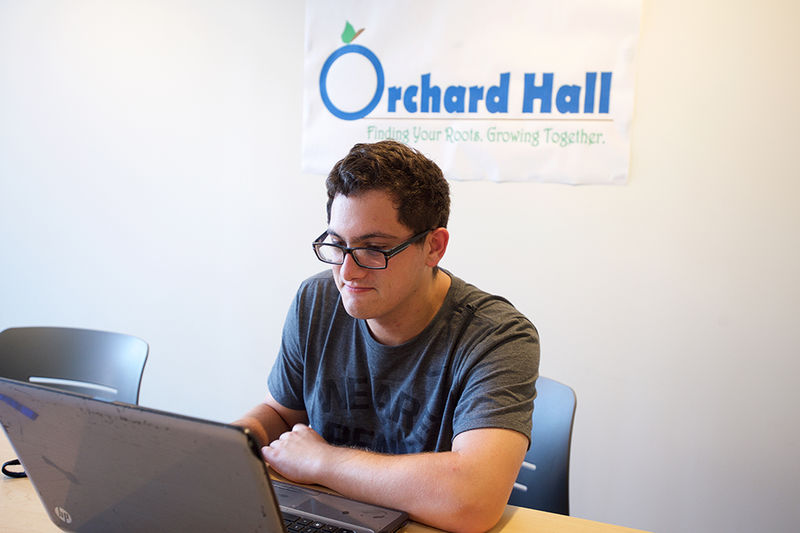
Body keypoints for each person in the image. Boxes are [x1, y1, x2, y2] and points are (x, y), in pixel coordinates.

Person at [236, 140, 539, 533]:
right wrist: (229, 446)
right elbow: (280, 414)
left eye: (373, 249)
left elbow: (472, 500)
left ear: (434, 247)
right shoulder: (315, 301)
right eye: (338, 245)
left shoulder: (497, 336)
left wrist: (322, 461)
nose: (347, 272)